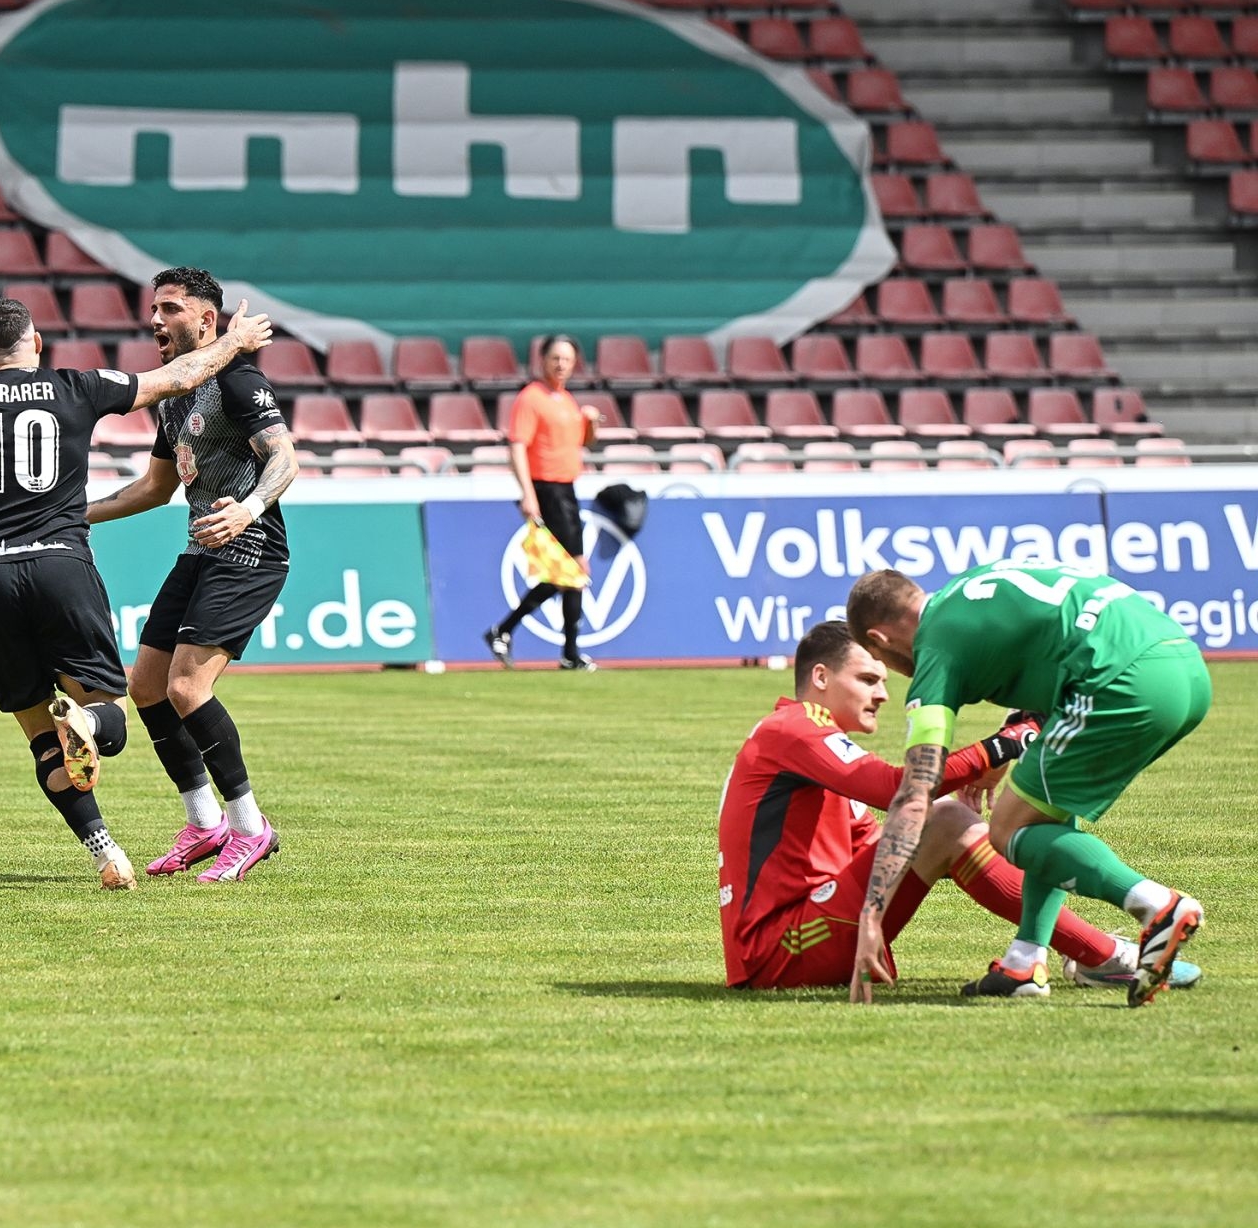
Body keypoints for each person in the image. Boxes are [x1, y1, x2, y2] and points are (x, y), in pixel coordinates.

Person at [0, 295, 274, 889]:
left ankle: (107, 854)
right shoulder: (76, 386)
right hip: (60, 563)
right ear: (36, 343)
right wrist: (234, 342)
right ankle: (86, 720)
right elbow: (177, 378)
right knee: (112, 713)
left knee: (40, 735)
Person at [720, 621, 1198, 992]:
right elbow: (895, 788)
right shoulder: (795, 729)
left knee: (946, 818)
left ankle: (1089, 953)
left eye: (883, 681)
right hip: (781, 948)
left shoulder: (802, 737)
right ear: (821, 677)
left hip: (802, 930)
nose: (883, 694)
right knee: (946, 817)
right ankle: (1103, 954)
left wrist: (952, 831)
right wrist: (1004, 745)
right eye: (867, 679)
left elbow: (878, 841)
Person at [845, 563, 1209, 1006]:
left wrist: (872, 914)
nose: (894, 673)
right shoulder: (969, 588)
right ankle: (1025, 962)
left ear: (880, 639)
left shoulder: (935, 645)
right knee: (1040, 811)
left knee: (1007, 830)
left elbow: (916, 792)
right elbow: (1052, 644)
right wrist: (1010, 737)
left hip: (1123, 681)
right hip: (1185, 667)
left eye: (882, 661)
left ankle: (1157, 905)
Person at [85, 266, 298, 883]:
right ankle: (205, 823)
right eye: (154, 309)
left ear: (207, 320)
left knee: (186, 687)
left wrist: (248, 508)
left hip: (251, 551)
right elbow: (155, 487)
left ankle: (250, 829)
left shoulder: (238, 379)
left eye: (171, 309)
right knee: (147, 686)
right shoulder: (175, 392)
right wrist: (76, 515)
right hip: (202, 552)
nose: (156, 320)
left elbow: (285, 457)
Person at [483, 336, 601, 672]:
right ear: (542, 361)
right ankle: (564, 651)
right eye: (555, 358)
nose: (561, 364)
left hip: (567, 488)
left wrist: (591, 423)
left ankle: (512, 632)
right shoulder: (531, 398)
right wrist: (528, 492)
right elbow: (518, 445)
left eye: (567, 359)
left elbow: (583, 442)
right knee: (572, 569)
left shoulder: (566, 400)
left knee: (571, 571)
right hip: (546, 488)